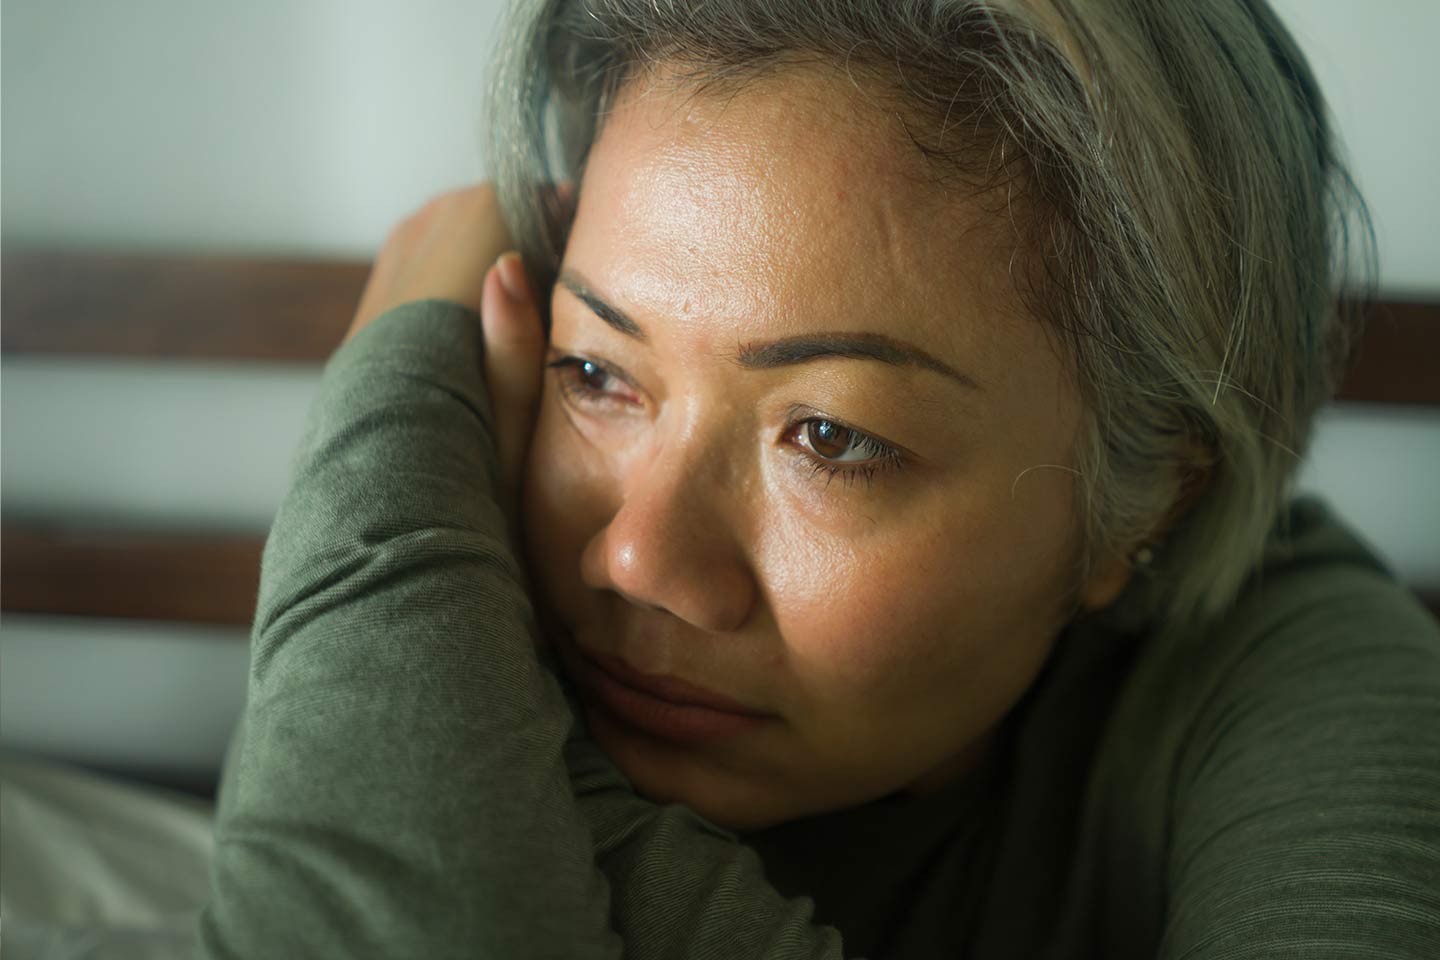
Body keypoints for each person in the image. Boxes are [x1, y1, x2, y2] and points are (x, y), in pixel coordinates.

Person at [198, 1, 1440, 957]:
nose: (635, 560)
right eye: (595, 369)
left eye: (832, 437)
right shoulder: (461, 524)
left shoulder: (1303, 674)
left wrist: (385, 474)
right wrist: (406, 411)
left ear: (1151, 497)